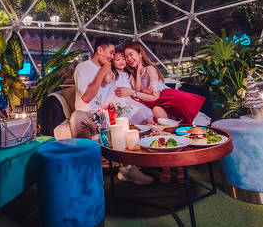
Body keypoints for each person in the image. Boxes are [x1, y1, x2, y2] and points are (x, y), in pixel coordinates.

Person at [116, 41, 205, 183]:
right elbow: (139, 92)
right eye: (126, 56)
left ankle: (176, 165)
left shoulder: (150, 69)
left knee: (163, 117)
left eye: (131, 54)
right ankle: (168, 165)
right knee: (158, 115)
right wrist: (138, 75)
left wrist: (135, 92)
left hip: (167, 100)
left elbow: (154, 96)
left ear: (140, 54)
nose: (128, 59)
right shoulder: (132, 74)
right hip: (154, 105)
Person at [70, 37, 153, 185]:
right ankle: (89, 175)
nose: (112, 56)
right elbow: (87, 97)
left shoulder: (109, 68)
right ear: (100, 50)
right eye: (111, 52)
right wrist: (102, 70)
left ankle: (128, 169)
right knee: (77, 117)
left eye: (114, 53)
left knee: (138, 119)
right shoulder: (83, 68)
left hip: (107, 114)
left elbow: (113, 84)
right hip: (89, 114)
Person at [103, 49, 153, 125]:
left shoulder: (128, 74)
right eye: (117, 60)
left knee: (144, 113)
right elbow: (107, 79)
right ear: (112, 62)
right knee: (123, 120)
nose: (121, 61)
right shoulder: (113, 73)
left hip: (128, 99)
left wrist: (138, 73)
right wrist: (107, 66)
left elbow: (137, 89)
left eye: (123, 59)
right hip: (116, 100)